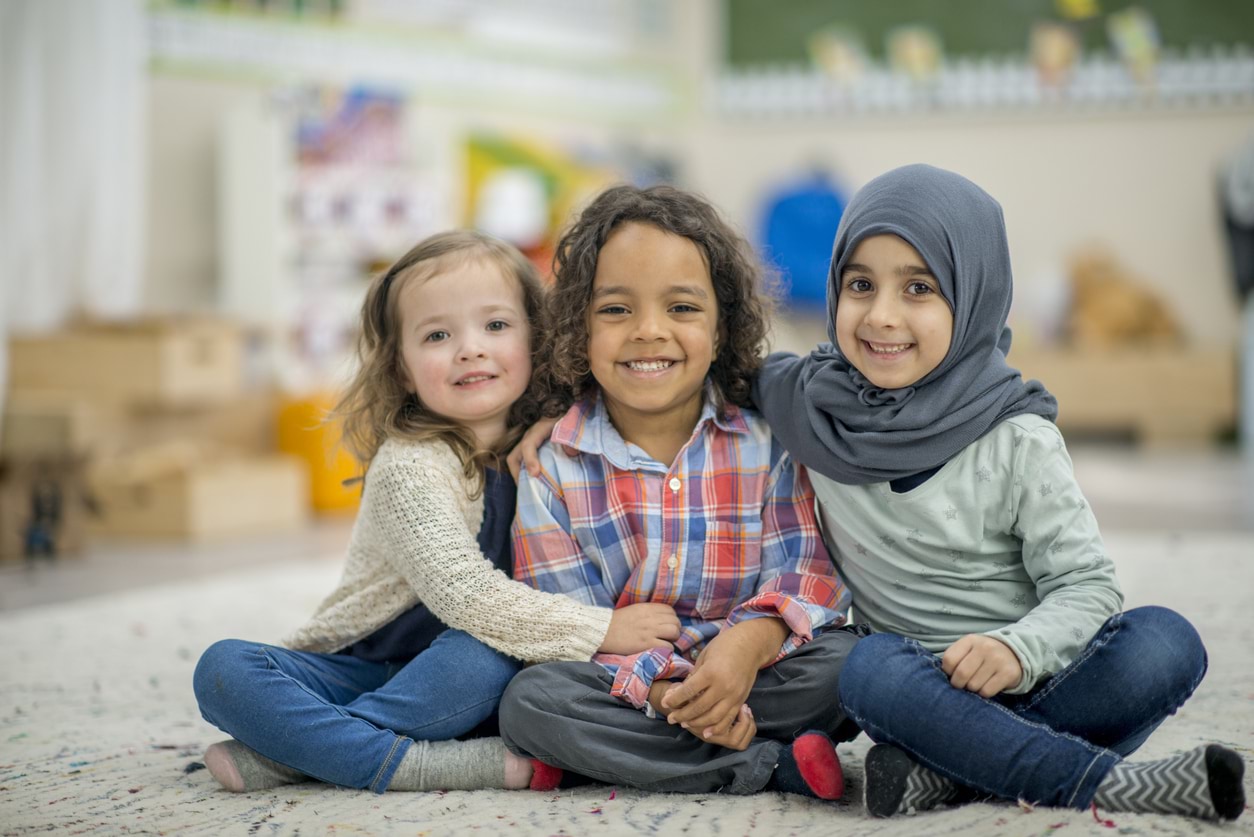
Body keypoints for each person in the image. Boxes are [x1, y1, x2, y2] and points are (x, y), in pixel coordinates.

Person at [750, 164, 1244, 820]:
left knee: (1168, 641)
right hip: (916, 693)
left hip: (1042, 677)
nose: (882, 315)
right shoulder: (813, 404)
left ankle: (951, 774)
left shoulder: (1016, 438)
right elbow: (705, 373)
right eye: (860, 284)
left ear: (974, 292)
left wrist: (1017, 650)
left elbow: (1087, 588)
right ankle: (1103, 781)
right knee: (865, 666)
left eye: (920, 287)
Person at [192, 230, 681, 795]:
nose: (469, 348)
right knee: (223, 669)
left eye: (495, 326)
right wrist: (603, 629)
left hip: (474, 668)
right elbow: (464, 594)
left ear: (536, 339)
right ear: (401, 367)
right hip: (365, 666)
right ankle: (431, 764)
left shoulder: (556, 436)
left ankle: (290, 757)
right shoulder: (411, 465)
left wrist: (559, 422)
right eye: (437, 335)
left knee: (486, 658)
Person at [497, 184, 864, 800]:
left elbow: (809, 575)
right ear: (578, 328)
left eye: (682, 309)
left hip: (758, 672)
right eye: (615, 310)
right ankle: (758, 763)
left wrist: (746, 646)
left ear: (722, 329)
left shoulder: (767, 442)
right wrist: (667, 690)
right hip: (629, 688)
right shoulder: (552, 466)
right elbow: (565, 630)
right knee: (530, 703)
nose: (648, 332)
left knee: (852, 666)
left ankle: (678, 753)